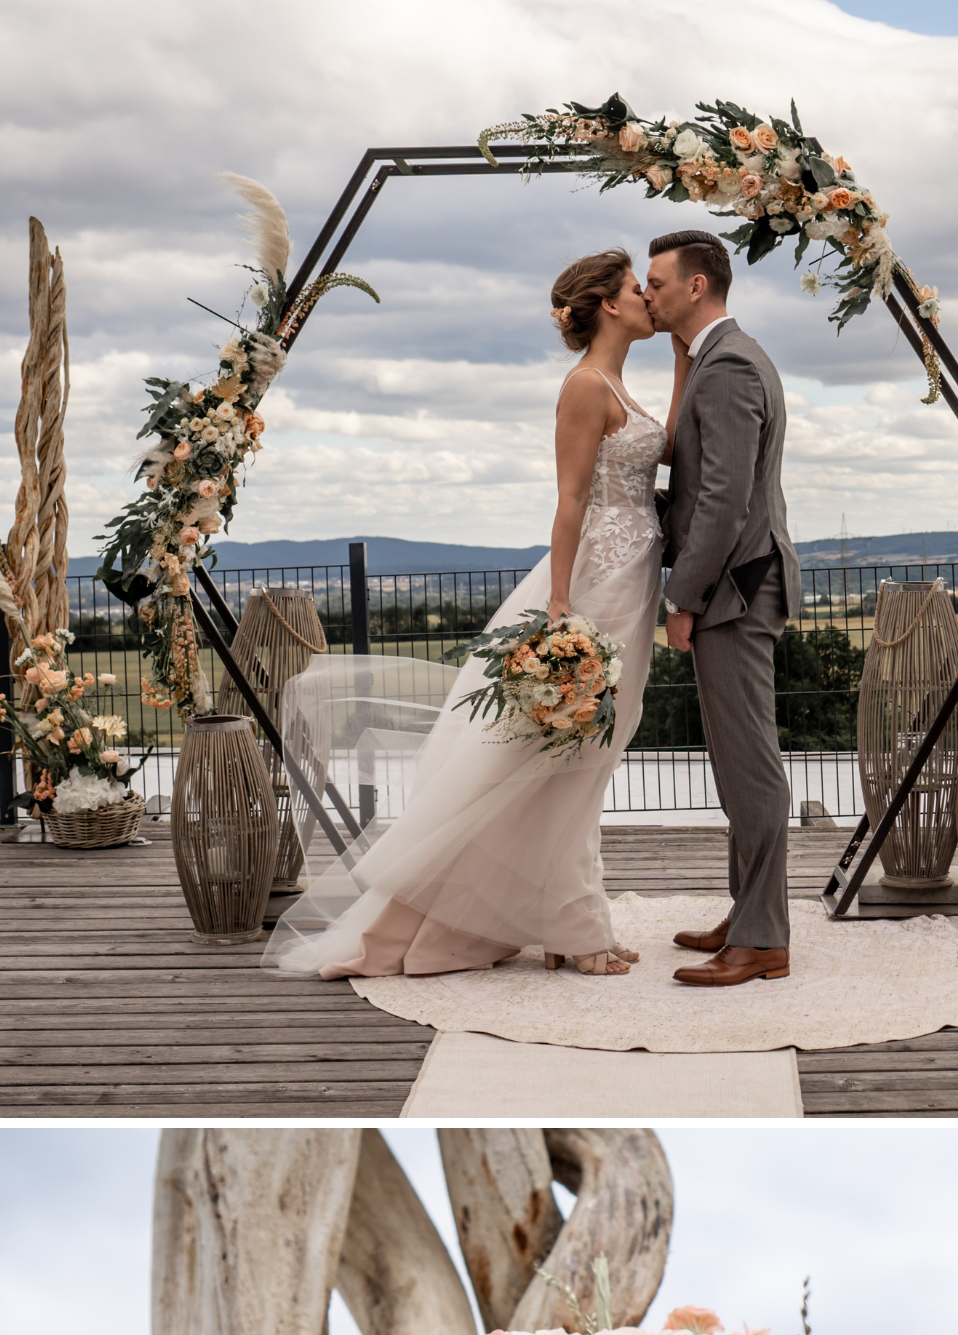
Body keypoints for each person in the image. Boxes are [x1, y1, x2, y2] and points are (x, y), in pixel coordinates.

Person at [261, 248, 688, 982]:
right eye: (635, 288)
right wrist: (558, 605)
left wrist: (683, 354)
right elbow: (570, 500)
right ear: (610, 305)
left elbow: (670, 450)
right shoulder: (585, 385)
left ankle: (571, 920)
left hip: (631, 583)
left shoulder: (621, 382)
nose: (649, 297)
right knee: (563, 757)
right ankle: (566, 925)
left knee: (588, 758)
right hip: (594, 585)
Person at [643, 229, 802, 988]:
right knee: (736, 765)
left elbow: (724, 499)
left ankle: (764, 938)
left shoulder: (731, 365)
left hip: (735, 592)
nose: (649, 295)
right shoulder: (714, 360)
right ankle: (746, 913)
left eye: (657, 283)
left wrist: (683, 597)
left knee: (750, 769)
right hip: (735, 588)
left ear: (696, 287)